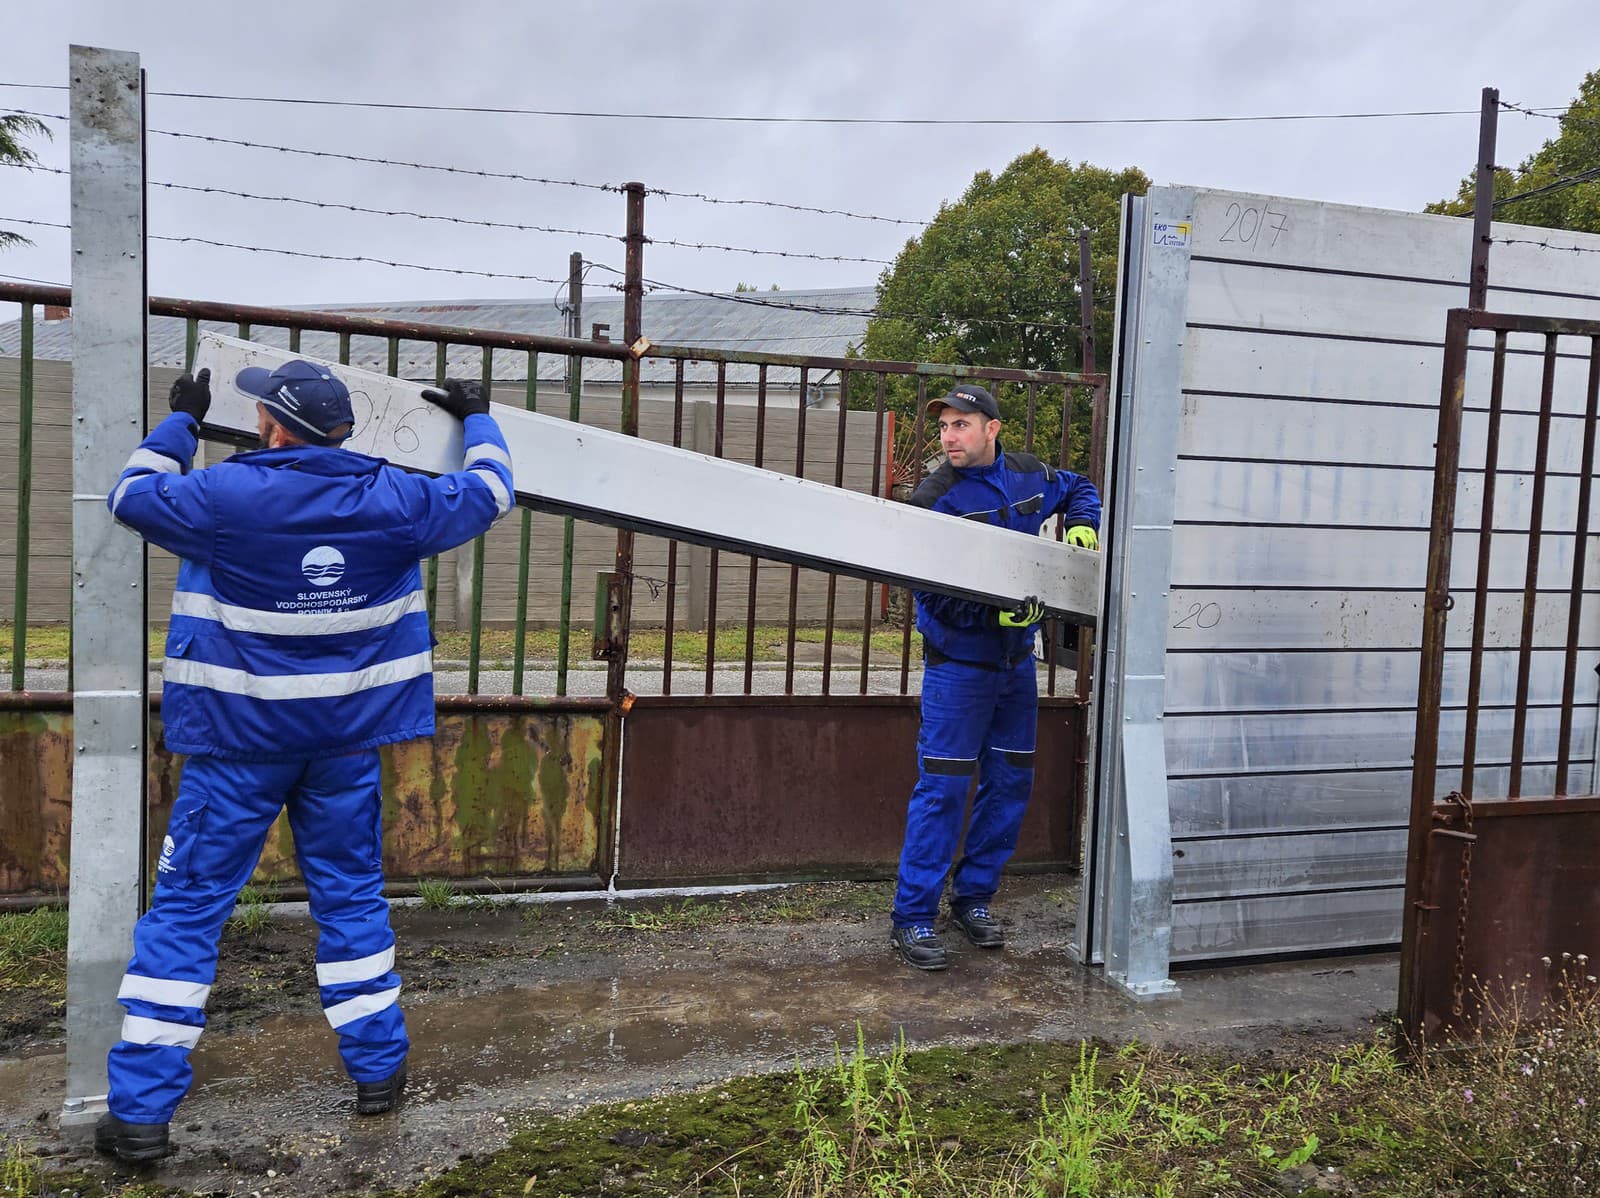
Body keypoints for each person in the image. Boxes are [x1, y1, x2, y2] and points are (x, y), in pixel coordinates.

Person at [94, 360, 514, 1161]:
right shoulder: (399, 499)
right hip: (343, 748)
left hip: (236, 749)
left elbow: (129, 495)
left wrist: (180, 421)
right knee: (351, 900)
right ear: (342, 428)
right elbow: (491, 490)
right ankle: (379, 1076)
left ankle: (142, 1117)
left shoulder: (221, 495)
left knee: (187, 915)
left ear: (270, 424)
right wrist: (477, 417)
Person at [890, 383, 1101, 971]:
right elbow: (924, 587)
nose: (949, 437)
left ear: (992, 430)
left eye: (961, 425)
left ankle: (974, 900)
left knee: (1008, 785)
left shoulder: (1030, 475)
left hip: (1015, 671)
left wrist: (1082, 525)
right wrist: (989, 610)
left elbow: (1080, 486)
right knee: (943, 791)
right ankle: (912, 918)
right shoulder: (936, 497)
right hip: (958, 668)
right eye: (944, 427)